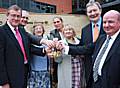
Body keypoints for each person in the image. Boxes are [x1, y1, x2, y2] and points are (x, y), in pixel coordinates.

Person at [0, 5, 53, 88]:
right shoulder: (1, 32)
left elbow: (28, 46)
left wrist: (44, 49)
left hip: (25, 72)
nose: (16, 18)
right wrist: (4, 82)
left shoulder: (21, 30)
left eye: (18, 16)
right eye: (13, 15)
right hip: (11, 76)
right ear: (7, 15)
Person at [90, 10, 120, 88]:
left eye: (110, 22)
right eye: (104, 22)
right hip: (96, 82)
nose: (106, 25)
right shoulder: (101, 38)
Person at [28, 24, 50, 88]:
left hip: (45, 70)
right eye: (36, 29)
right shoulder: (30, 41)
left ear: (43, 30)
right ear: (34, 31)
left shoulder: (47, 40)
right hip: (33, 70)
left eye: (40, 28)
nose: (38, 30)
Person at [47, 16, 65, 88]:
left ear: (62, 22)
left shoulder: (67, 30)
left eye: (58, 22)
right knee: (57, 77)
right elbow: (52, 47)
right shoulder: (52, 33)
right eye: (54, 22)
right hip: (58, 58)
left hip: (69, 57)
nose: (56, 24)